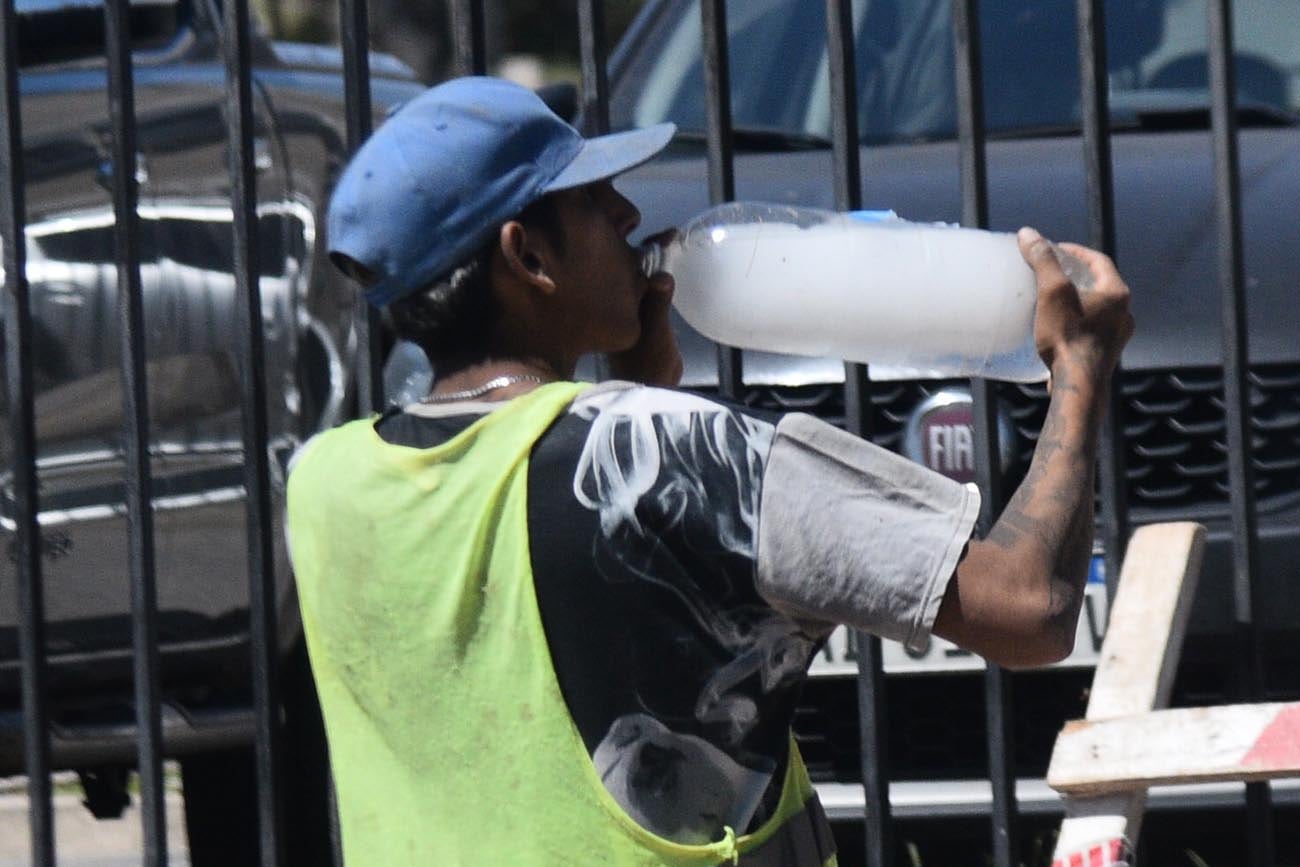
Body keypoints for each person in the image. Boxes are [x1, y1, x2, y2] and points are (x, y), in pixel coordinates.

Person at [286, 76, 1133, 866]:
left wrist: (629, 397)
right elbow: (1029, 608)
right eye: (591, 200)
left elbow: (524, 644)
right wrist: (1079, 371)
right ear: (529, 257)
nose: (628, 213)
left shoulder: (326, 482)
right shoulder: (683, 452)